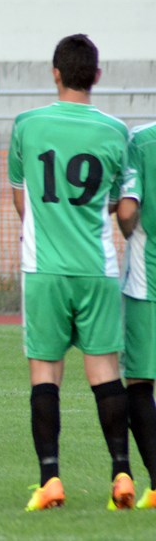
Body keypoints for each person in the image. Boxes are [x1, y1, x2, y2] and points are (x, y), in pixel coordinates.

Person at [8, 34, 135, 510]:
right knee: (105, 372)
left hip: (44, 268)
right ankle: (121, 474)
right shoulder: (115, 131)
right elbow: (122, 207)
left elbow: (21, 200)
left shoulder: (27, 124)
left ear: (55, 73)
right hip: (98, 267)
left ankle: (51, 480)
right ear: (96, 76)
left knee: (45, 373)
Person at [118, 120, 156, 510]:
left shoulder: (142, 141)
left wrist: (127, 228)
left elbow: (128, 208)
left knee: (140, 383)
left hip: (149, 281)